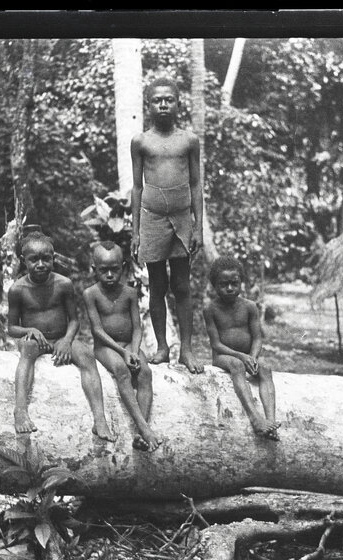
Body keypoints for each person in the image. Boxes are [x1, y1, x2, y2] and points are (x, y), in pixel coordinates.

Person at [7, 232, 114, 441]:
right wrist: (30, 331)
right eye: (34, 259)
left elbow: (74, 320)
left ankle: (100, 419)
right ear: (23, 261)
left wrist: (66, 340)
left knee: (86, 355)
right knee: (27, 349)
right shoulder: (17, 289)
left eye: (46, 259)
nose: (40, 264)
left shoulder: (63, 284)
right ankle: (20, 411)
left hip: (60, 338)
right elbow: (11, 328)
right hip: (34, 341)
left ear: (53, 258)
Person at [130, 77, 205, 375]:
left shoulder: (188, 140)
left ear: (178, 103)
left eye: (168, 99)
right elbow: (136, 187)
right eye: (157, 100)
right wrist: (135, 232)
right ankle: (162, 347)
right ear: (148, 106)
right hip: (152, 219)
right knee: (157, 285)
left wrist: (198, 226)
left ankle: (186, 349)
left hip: (182, 219)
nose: (163, 104)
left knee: (182, 285)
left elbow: (197, 184)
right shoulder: (141, 141)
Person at [83, 241, 161, 452]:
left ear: (124, 267)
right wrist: (123, 352)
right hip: (105, 347)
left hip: (129, 344)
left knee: (145, 372)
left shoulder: (129, 293)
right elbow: (97, 331)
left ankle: (139, 434)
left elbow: (137, 327)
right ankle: (144, 428)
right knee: (121, 370)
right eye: (103, 270)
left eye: (114, 269)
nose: (109, 275)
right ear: (94, 270)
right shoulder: (91, 294)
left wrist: (134, 351)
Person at [203, 255, 280, 441]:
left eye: (234, 283)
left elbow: (257, 338)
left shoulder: (250, 307)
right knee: (237, 365)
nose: (230, 288)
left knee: (266, 369)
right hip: (223, 356)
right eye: (224, 284)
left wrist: (252, 357)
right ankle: (255, 419)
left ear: (241, 283)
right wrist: (242, 357)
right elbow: (216, 344)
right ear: (215, 285)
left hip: (247, 356)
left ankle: (271, 422)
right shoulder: (211, 309)